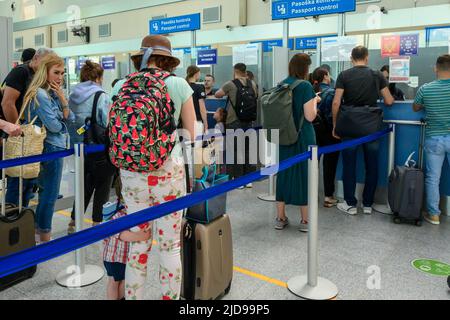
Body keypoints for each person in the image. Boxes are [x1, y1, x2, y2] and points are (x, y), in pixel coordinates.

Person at [119, 35, 196, 300]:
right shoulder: (177, 83)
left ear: (141, 57)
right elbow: (191, 133)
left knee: (137, 245)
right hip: (167, 171)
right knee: (170, 246)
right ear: (168, 60)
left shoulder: (121, 84)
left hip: (130, 173)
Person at [332, 46, 394, 216]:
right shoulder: (377, 75)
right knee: (371, 166)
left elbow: (336, 102)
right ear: (366, 57)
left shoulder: (344, 75)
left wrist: (335, 125)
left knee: (349, 165)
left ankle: (350, 204)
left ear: (351, 58)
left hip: (349, 126)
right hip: (371, 127)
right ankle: (367, 204)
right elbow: (388, 100)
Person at [22, 54, 75, 243]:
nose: (60, 77)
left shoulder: (51, 93)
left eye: (62, 73)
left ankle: (40, 232)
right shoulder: (41, 94)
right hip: (50, 147)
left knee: (46, 192)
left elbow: (72, 118)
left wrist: (63, 102)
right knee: (49, 194)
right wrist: (64, 114)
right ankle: (44, 235)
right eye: (56, 72)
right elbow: (57, 126)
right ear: (45, 72)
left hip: (52, 146)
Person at [67, 61, 116, 233]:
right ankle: (97, 223)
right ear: (98, 77)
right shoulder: (100, 95)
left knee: (84, 185)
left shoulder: (72, 94)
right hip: (98, 146)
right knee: (103, 184)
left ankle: (73, 221)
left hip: (79, 147)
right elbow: (105, 121)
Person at [1, 47, 53, 208]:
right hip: (13, 132)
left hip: (24, 134)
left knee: (27, 182)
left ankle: (20, 221)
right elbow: (7, 103)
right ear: (35, 59)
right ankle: (11, 222)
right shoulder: (21, 72)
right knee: (17, 181)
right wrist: (18, 130)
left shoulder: (36, 75)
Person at [275, 54, 318, 232]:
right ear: (305, 69)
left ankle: (280, 217)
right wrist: (316, 100)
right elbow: (310, 116)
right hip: (302, 136)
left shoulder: (282, 84)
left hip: (285, 136)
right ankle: (305, 221)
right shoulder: (305, 86)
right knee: (304, 174)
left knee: (284, 173)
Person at [413, 54, 450, 226]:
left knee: (433, 178)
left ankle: (434, 215)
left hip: (434, 138)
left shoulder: (425, 89)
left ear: (436, 68)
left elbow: (415, 107)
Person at [215, 63, 258, 188]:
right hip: (249, 121)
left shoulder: (230, 84)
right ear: (245, 71)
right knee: (247, 150)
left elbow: (218, 94)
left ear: (235, 71)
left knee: (234, 151)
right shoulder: (252, 84)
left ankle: (238, 180)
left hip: (233, 121)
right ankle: (248, 180)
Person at [103, 208, 151, 300]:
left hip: (120, 257)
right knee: (114, 281)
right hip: (115, 258)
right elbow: (122, 235)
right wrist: (140, 236)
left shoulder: (127, 213)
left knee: (120, 280)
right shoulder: (119, 215)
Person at [311, 67, 340, 208]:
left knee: (312, 164)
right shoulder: (331, 92)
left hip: (312, 132)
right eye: (328, 75)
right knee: (330, 165)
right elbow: (332, 113)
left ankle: (310, 195)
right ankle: (328, 196)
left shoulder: (310, 91)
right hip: (329, 133)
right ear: (325, 76)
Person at [186, 65, 208, 140]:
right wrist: (205, 124)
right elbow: (202, 108)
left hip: (184, 121)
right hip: (196, 121)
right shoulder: (199, 87)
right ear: (196, 74)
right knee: (196, 147)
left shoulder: (183, 86)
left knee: (186, 147)